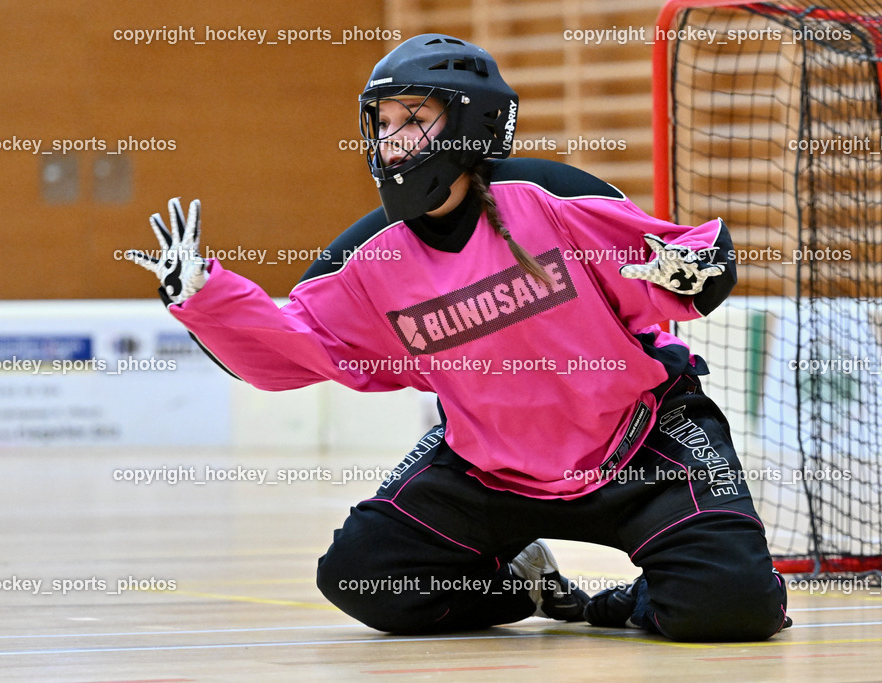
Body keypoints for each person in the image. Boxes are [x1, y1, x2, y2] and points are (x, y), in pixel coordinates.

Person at [126, 33, 790, 642]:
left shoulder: (550, 197)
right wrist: (205, 300)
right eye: (382, 123)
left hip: (642, 440)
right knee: (361, 578)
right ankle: (526, 582)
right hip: (489, 468)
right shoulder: (368, 260)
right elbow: (292, 346)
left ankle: (628, 603)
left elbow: (671, 266)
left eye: (413, 119)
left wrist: (696, 266)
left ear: (471, 122)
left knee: (732, 606)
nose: (391, 139)